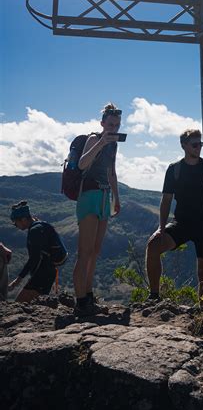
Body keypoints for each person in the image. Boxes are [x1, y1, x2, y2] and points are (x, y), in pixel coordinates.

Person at [146, 128, 203, 300]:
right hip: (182, 222)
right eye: (195, 144)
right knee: (153, 246)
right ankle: (154, 296)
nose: (199, 148)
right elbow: (166, 200)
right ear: (184, 146)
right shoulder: (174, 169)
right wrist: (161, 228)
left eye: (201, 144)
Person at [73, 102, 121, 316]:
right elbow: (83, 164)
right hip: (89, 195)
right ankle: (80, 301)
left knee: (95, 251)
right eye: (110, 124)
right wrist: (101, 142)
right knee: (84, 252)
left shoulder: (114, 144)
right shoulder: (94, 138)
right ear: (102, 123)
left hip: (104, 196)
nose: (114, 129)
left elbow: (112, 172)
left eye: (117, 125)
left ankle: (89, 296)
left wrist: (116, 198)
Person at [8, 202, 61, 302]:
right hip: (48, 272)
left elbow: (34, 259)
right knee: (36, 304)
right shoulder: (40, 225)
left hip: (42, 274)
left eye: (16, 222)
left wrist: (17, 281)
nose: (16, 225)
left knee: (20, 304)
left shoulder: (34, 231)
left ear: (23, 219)